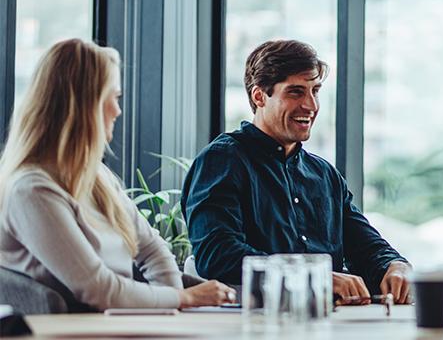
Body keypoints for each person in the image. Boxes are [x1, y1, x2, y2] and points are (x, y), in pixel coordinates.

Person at [0, 39, 235, 311]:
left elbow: (151, 248)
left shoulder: (97, 177)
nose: (118, 110)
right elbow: (97, 289)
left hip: (116, 324)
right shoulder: (32, 191)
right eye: (114, 97)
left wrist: (172, 303)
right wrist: (183, 298)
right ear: (85, 106)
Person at [182, 39, 412, 303]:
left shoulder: (324, 174)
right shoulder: (222, 160)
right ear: (259, 96)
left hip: (329, 323)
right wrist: (314, 276)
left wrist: (395, 265)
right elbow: (218, 255)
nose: (311, 106)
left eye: (315, 91)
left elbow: (365, 246)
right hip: (253, 324)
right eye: (295, 92)